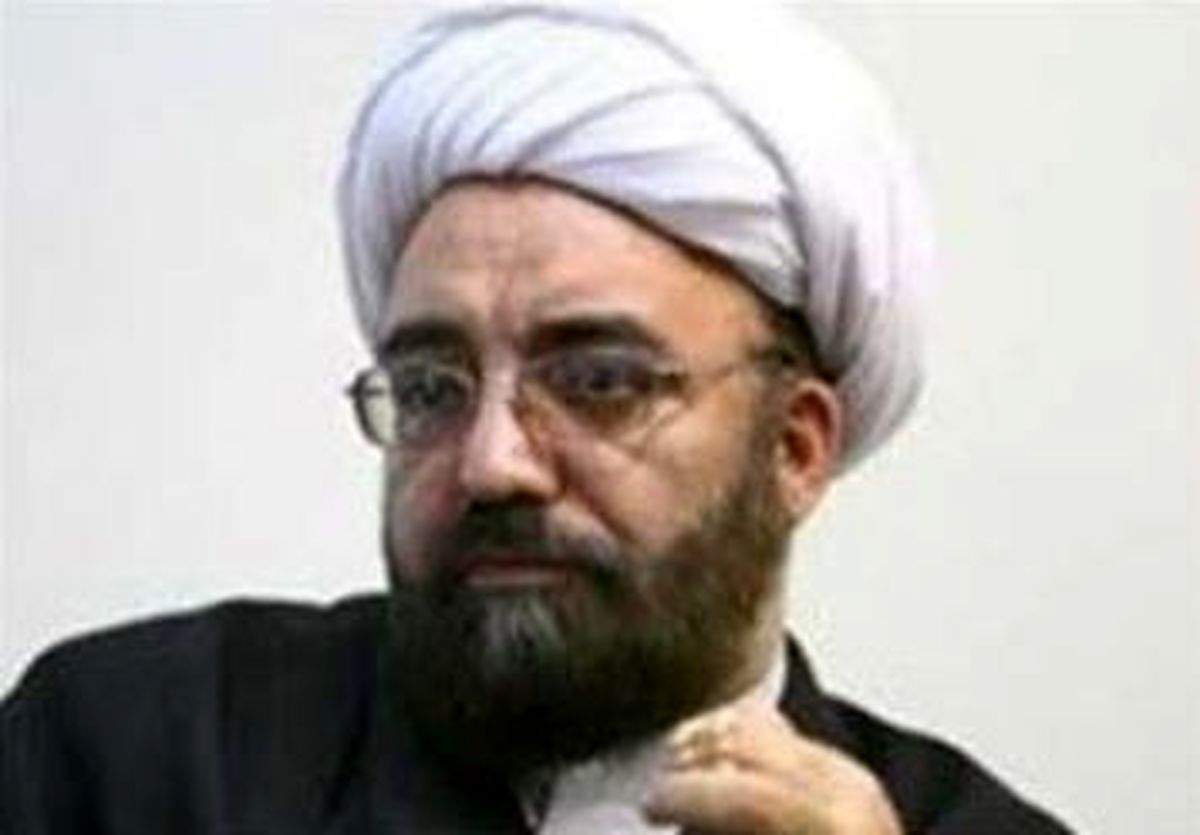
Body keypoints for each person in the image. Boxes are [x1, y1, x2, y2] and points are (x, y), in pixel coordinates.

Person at [2, 5, 1073, 834]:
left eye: (601, 380)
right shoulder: (130, 754)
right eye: (432, 387)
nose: (491, 463)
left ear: (796, 446)